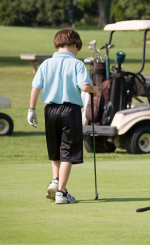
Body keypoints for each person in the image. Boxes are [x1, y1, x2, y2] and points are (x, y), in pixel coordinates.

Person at [27, 28, 98, 204]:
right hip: (70, 111)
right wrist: (95, 90)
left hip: (50, 110)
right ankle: (62, 192)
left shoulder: (46, 64)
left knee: (56, 148)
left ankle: (55, 180)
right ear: (75, 45)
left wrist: (31, 109)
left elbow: (36, 87)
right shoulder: (77, 64)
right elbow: (84, 87)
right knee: (68, 150)